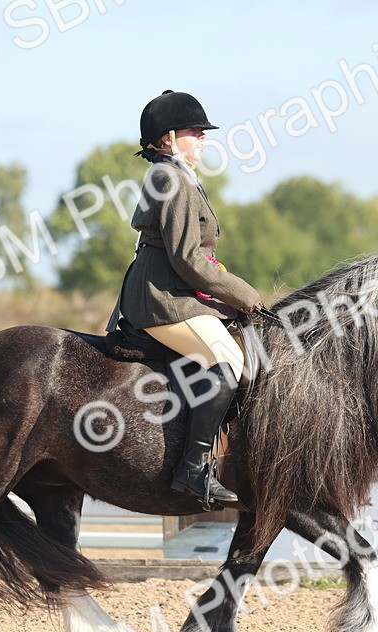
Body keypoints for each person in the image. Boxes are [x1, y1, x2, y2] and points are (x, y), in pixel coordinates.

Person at [106, 90, 264, 507]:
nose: (204, 138)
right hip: (162, 298)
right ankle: (192, 470)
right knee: (226, 362)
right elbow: (188, 259)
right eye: (196, 131)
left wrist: (225, 288)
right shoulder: (170, 178)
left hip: (170, 289)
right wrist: (245, 294)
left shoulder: (177, 174)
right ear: (169, 138)